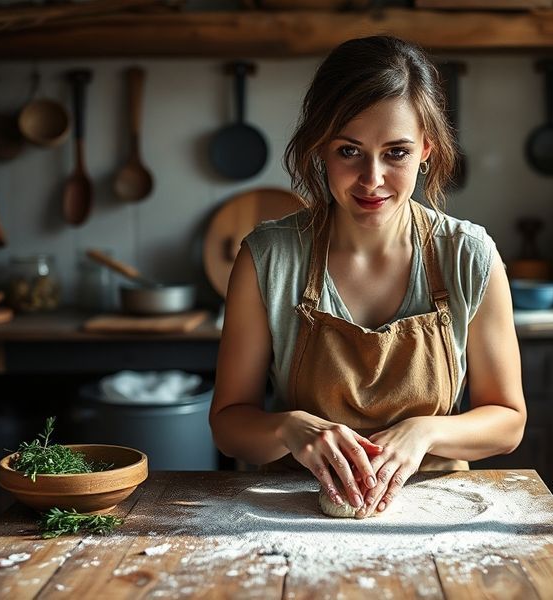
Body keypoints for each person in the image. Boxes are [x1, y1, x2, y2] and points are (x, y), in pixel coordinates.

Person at [209, 35, 526, 518]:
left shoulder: (469, 256)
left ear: (426, 149)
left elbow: (507, 422)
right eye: (349, 151)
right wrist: (288, 429)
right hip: (291, 512)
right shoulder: (268, 257)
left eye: (395, 153)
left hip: (441, 510)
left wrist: (427, 430)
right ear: (321, 148)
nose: (372, 178)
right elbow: (229, 424)